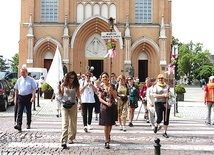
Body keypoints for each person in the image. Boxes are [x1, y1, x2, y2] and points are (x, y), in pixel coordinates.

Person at [59, 71, 82, 149]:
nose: (71, 79)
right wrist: (59, 89)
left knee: (72, 122)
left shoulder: (76, 85)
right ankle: (63, 140)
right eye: (70, 78)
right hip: (64, 104)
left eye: (73, 78)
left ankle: (71, 137)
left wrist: (80, 103)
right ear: (67, 78)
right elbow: (61, 95)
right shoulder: (63, 85)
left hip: (73, 105)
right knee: (65, 123)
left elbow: (78, 95)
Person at [14, 66, 37, 131]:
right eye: (21, 72)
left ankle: (28, 123)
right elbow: (16, 89)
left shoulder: (31, 80)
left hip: (28, 96)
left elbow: (34, 89)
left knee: (28, 111)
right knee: (19, 111)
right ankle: (19, 125)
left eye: (23, 72)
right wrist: (15, 98)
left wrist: (33, 97)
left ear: (26, 72)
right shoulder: (19, 80)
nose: (22, 74)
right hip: (21, 97)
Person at [98, 72, 117, 149]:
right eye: (103, 77)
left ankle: (108, 134)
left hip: (112, 105)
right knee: (106, 123)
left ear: (108, 77)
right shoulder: (101, 87)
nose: (105, 78)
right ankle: (106, 141)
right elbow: (100, 98)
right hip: (104, 106)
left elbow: (115, 96)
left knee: (110, 123)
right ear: (101, 79)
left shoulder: (112, 86)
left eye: (106, 77)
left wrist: (111, 91)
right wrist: (106, 103)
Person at [153, 74, 171, 138]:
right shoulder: (156, 86)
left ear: (164, 79)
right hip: (158, 103)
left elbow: (170, 94)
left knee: (166, 118)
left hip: (166, 103)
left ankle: (165, 132)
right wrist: (163, 95)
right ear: (158, 79)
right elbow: (154, 95)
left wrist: (169, 95)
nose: (161, 79)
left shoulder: (167, 86)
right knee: (159, 118)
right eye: (159, 78)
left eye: (162, 78)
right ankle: (156, 125)